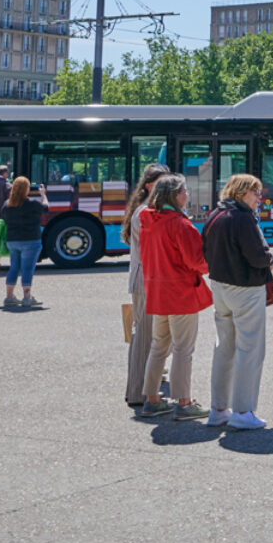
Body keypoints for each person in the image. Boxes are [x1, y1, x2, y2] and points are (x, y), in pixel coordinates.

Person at [136, 174, 214, 420]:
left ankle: (151, 399)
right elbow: (197, 262)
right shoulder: (181, 225)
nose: (187, 195)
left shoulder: (147, 219)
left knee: (159, 346)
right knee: (183, 349)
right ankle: (184, 402)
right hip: (180, 292)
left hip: (157, 291)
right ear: (174, 194)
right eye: (184, 191)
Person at [203, 173, 273, 430]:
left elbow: (205, 251)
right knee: (250, 351)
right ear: (242, 192)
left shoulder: (216, 215)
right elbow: (257, 257)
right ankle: (243, 411)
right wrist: (269, 257)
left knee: (224, 349)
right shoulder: (243, 218)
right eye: (256, 193)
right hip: (245, 289)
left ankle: (218, 409)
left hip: (220, 287)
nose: (259, 198)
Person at [123, 163, 171, 408]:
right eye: (163, 183)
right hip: (146, 280)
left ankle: (140, 389)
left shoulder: (145, 209)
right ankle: (138, 393)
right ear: (150, 185)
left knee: (147, 335)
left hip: (145, 279)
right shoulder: (144, 212)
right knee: (144, 337)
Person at [0, 178, 48, 307]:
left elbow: (4, 219)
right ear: (26, 189)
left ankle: (9, 297)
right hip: (31, 240)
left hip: (12, 241)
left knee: (14, 268)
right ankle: (27, 297)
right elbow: (46, 207)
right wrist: (43, 194)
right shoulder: (33, 204)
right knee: (27, 269)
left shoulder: (6, 205)